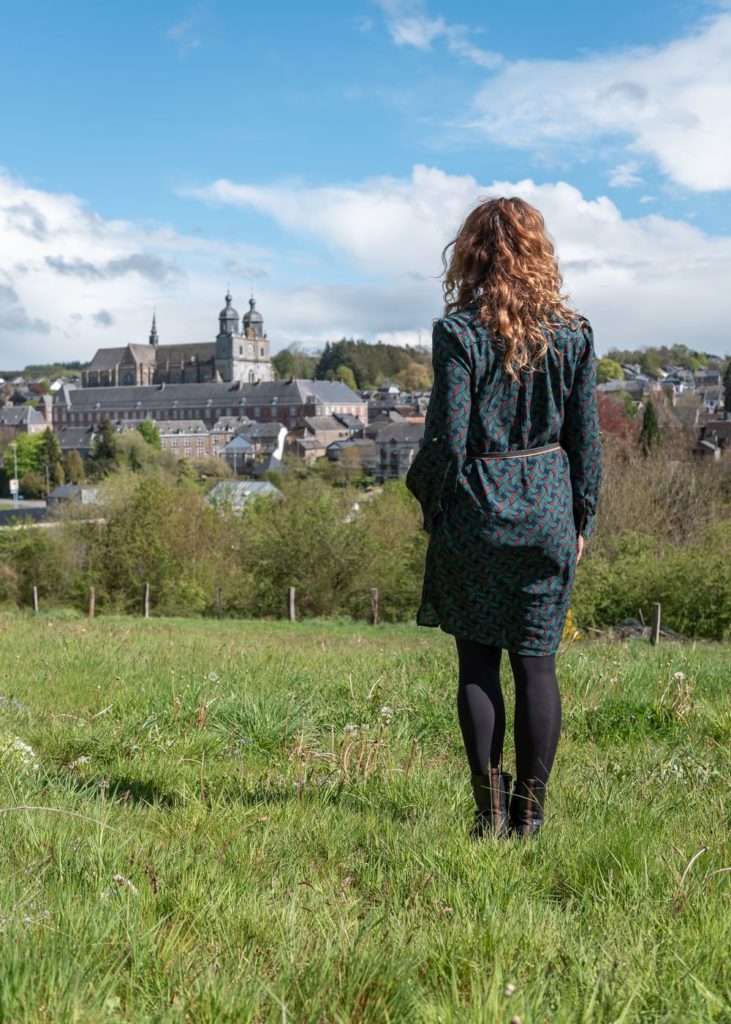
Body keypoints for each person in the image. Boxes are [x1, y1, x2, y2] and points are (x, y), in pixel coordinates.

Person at [405, 196, 602, 840]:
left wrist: (430, 499)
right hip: (548, 507)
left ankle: (488, 815)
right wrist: (581, 519)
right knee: (537, 665)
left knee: (477, 665)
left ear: (470, 254)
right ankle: (531, 817)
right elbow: (587, 442)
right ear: (538, 255)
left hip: (478, 512)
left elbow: (444, 440)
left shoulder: (459, 335)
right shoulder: (573, 335)